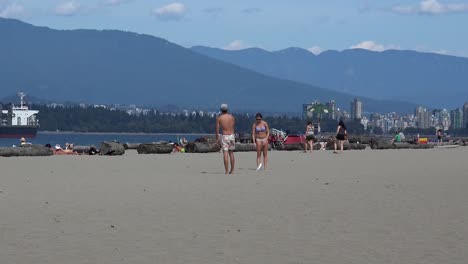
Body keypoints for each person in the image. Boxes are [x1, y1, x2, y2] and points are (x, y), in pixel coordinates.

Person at [216, 104, 236, 174]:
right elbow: (233, 125)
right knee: (231, 153)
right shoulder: (232, 117)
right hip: (231, 135)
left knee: (225, 153)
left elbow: (217, 129)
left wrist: (217, 138)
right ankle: (232, 170)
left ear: (221, 110)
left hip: (225, 136)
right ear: (227, 109)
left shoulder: (219, 118)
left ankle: (226, 171)